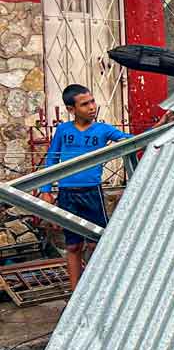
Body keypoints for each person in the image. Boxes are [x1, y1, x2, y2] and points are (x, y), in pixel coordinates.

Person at [37, 85, 132, 290]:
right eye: (85, 104)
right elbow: (52, 160)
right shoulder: (63, 130)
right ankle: (74, 294)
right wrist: (46, 190)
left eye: (92, 101)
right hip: (67, 194)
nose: (92, 107)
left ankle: (95, 291)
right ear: (71, 109)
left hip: (92, 193)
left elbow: (131, 142)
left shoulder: (103, 130)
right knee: (73, 245)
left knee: (95, 243)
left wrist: (158, 126)